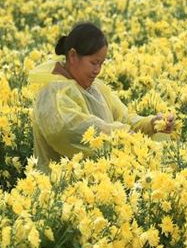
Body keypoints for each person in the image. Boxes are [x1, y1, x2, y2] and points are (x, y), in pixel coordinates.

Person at [30, 22, 175, 173]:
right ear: (72, 56)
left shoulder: (95, 88)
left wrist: (151, 124)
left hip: (99, 184)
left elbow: (124, 119)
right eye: (93, 63)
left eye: (101, 63)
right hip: (59, 188)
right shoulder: (53, 93)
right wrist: (120, 136)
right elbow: (68, 130)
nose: (97, 70)